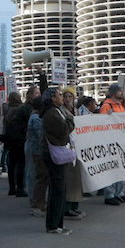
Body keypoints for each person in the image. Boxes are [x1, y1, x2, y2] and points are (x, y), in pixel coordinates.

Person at [40, 88, 74, 235]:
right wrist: (70, 119)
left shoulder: (55, 111)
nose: (61, 97)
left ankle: (57, 224)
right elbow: (64, 130)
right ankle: (53, 225)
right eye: (59, 95)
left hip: (56, 152)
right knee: (57, 189)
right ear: (53, 99)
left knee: (60, 189)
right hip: (53, 154)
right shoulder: (51, 114)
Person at [99, 84, 125, 205]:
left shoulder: (119, 106)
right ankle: (109, 194)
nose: (122, 93)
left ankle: (120, 193)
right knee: (111, 168)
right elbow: (102, 124)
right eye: (119, 91)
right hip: (110, 141)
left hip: (120, 140)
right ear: (113, 93)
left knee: (120, 168)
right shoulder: (106, 106)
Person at [59, 89, 85, 221]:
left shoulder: (76, 110)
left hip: (77, 148)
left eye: (70, 96)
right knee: (68, 180)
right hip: (67, 147)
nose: (68, 99)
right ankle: (67, 208)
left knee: (76, 179)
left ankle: (74, 206)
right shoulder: (61, 111)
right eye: (65, 96)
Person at [2, 93, 28, 197]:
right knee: (21, 163)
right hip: (20, 138)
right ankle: (20, 187)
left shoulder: (6, 108)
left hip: (8, 139)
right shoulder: (22, 108)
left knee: (11, 164)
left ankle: (12, 187)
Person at [25, 95, 47, 217]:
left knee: (37, 175)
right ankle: (35, 201)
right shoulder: (36, 118)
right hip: (36, 149)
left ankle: (37, 200)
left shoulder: (35, 117)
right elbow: (41, 134)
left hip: (34, 148)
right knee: (36, 175)